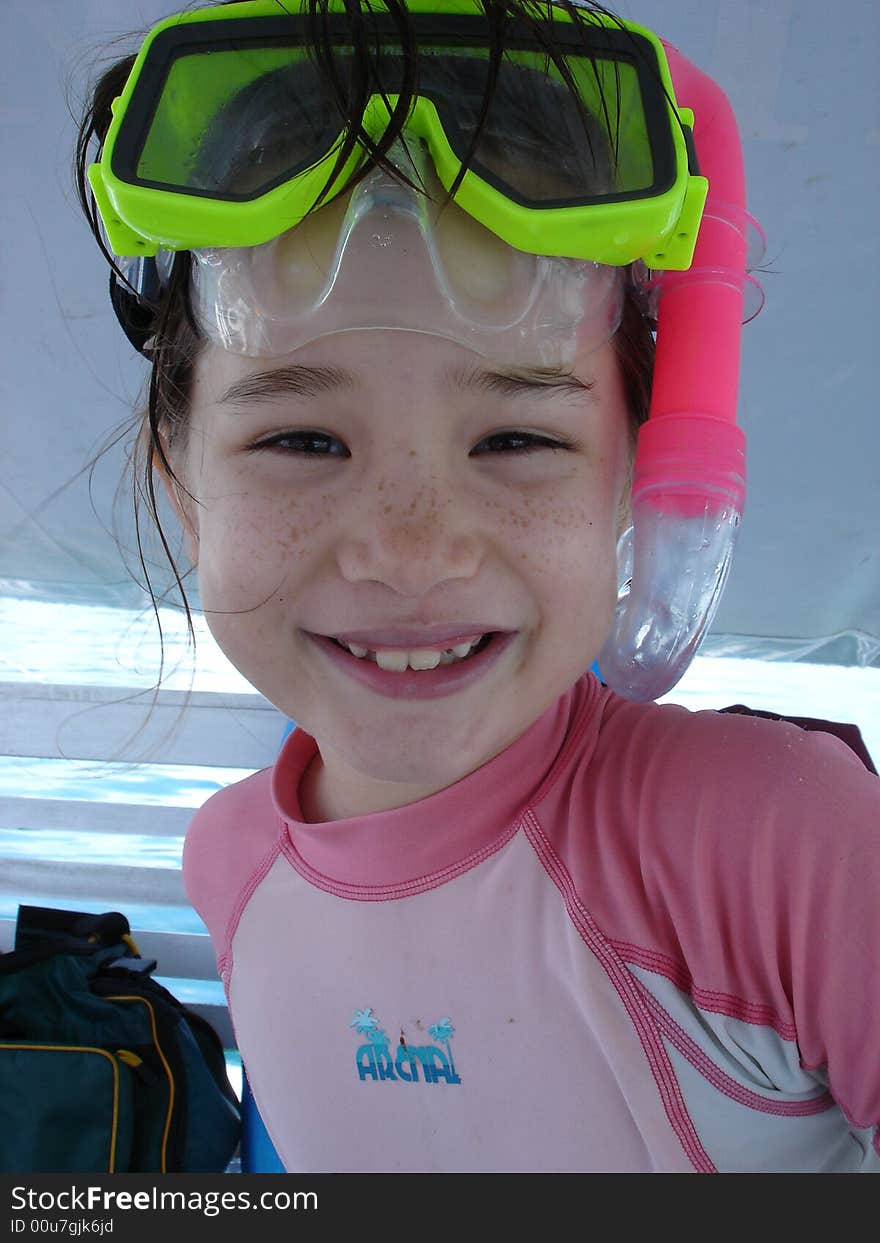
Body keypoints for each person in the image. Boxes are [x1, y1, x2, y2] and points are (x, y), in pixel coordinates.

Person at [75, 0, 879, 1173]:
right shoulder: (228, 861)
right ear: (183, 476)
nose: (408, 552)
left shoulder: (781, 845)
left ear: (635, 478)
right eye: (303, 441)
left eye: (514, 442)